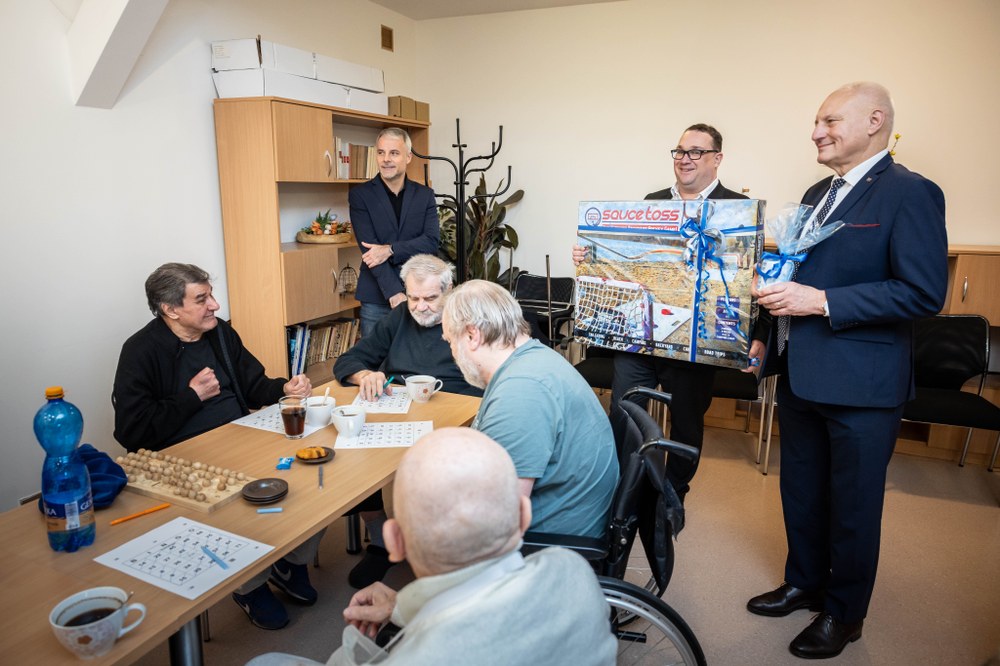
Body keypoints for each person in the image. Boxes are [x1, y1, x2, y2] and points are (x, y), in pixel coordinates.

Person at [747, 82, 948, 659]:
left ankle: (844, 613)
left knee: (854, 507)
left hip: (864, 384)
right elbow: (791, 274)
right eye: (815, 122)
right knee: (802, 493)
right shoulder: (816, 191)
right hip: (801, 373)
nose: (816, 132)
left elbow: (922, 292)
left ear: (874, 121)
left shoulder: (911, 193)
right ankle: (803, 581)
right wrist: (766, 338)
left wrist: (823, 302)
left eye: (830, 121)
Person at [247, 427, 617, 665]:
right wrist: (399, 607)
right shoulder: (573, 571)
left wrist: (352, 655)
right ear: (523, 516)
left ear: (394, 542)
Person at [111, 263, 320, 631]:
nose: (216, 306)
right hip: (185, 457)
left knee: (316, 486)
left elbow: (254, 385)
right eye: (202, 299)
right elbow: (132, 431)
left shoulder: (220, 334)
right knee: (241, 510)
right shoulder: (141, 351)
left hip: (242, 434)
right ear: (171, 309)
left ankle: (291, 562)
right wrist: (192, 396)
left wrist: (283, 390)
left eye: (211, 295)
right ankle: (250, 587)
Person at [574, 123, 763, 499]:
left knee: (687, 424)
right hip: (641, 335)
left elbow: (754, 280)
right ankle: (623, 490)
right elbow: (629, 261)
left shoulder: (737, 211)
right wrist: (590, 255)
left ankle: (674, 495)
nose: (685, 159)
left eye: (696, 151)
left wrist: (757, 334)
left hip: (695, 342)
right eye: (679, 151)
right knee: (626, 411)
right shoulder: (652, 201)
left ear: (717, 159)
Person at [333, 254, 483, 588]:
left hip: (456, 409)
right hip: (398, 408)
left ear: (449, 292)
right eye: (414, 297)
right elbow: (350, 359)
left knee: (430, 470)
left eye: (431, 298)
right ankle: (381, 539)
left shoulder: (468, 320)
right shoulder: (399, 317)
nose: (421, 306)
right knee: (353, 448)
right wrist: (364, 375)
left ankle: (438, 557)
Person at [441, 280, 618, 539]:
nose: (452, 353)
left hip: (548, 545)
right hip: (567, 519)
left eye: (450, 342)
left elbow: (499, 523)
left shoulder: (521, 391)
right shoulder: (535, 357)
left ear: (472, 335)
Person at [349, 127, 439, 337]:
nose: (386, 159)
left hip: (419, 294)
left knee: (416, 360)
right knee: (375, 363)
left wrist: (389, 250)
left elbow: (431, 242)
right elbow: (370, 252)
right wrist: (394, 292)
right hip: (376, 295)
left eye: (394, 153)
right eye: (381, 152)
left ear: (408, 157)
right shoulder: (360, 196)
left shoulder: (425, 195)